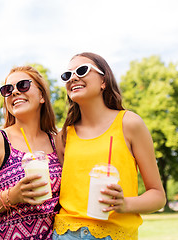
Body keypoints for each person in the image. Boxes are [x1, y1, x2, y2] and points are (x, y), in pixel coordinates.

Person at [53, 52, 166, 240]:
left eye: (82, 71)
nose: (73, 78)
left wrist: (125, 204)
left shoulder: (130, 123)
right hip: (66, 234)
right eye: (67, 75)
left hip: (115, 235)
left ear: (103, 81)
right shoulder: (63, 136)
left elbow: (158, 196)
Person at [0, 65, 62, 240]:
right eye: (7, 90)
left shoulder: (58, 142)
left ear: (42, 96)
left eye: (23, 85)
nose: (14, 92)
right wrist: (12, 196)